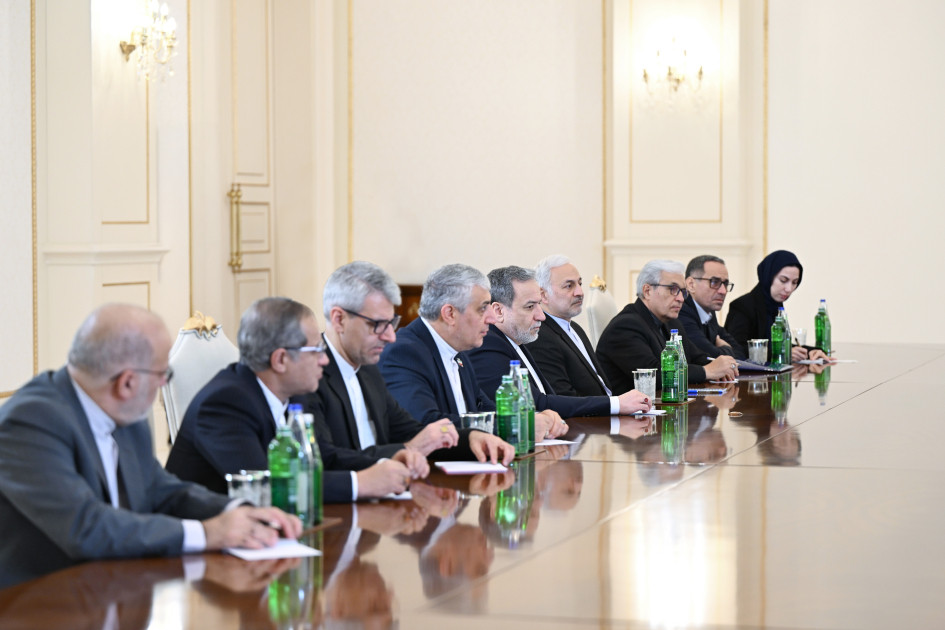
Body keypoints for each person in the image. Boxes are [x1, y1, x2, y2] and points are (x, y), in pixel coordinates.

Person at [0, 304, 301, 589]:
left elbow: (159, 489)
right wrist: (208, 533)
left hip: (118, 586)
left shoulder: (123, 410)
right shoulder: (31, 422)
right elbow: (85, 526)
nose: (162, 385)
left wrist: (240, 513)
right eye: (162, 375)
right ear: (127, 383)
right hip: (39, 601)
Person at [166, 297, 429, 504]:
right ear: (280, 360)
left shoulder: (293, 392)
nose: (324, 360)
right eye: (316, 350)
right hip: (206, 546)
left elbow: (323, 456)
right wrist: (360, 484)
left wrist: (386, 461)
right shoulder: (225, 403)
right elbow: (268, 486)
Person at [291, 261, 515, 465]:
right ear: (339, 319)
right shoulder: (307, 376)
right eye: (378, 325)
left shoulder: (368, 370)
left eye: (392, 323)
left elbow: (411, 430)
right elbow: (322, 460)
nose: (390, 336)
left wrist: (471, 438)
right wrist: (405, 450)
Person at [380, 264, 568, 440]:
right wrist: (517, 426)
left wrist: (533, 418)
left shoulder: (460, 352)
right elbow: (425, 424)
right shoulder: (404, 353)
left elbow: (485, 412)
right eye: (482, 308)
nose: (492, 318)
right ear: (450, 314)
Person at [468, 266, 652, 420]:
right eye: (530, 307)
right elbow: (536, 404)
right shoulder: (488, 346)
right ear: (498, 311)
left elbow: (549, 398)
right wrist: (616, 403)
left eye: (539, 305)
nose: (541, 316)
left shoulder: (517, 339)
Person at [597, 260, 739, 395]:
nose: (681, 299)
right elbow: (655, 375)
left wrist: (722, 366)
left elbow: (696, 357)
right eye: (673, 289)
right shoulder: (625, 327)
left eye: (683, 292)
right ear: (647, 291)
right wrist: (707, 371)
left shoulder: (671, 323)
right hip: (630, 411)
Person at [528, 255, 614, 396]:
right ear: (543, 295)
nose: (580, 292)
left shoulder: (576, 328)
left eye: (580, 283)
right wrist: (616, 404)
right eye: (569, 286)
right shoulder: (540, 337)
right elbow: (563, 397)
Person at [725, 250, 830, 362]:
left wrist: (812, 351)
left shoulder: (775, 306)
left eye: (794, 282)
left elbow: (778, 345)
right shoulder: (742, 306)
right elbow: (735, 349)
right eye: (783, 280)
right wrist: (781, 353)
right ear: (768, 276)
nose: (789, 289)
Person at [679, 254, 746, 359]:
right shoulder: (681, 311)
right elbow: (708, 356)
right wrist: (726, 348)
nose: (723, 291)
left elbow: (741, 353)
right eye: (714, 282)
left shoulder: (708, 310)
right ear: (691, 284)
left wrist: (724, 351)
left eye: (725, 284)